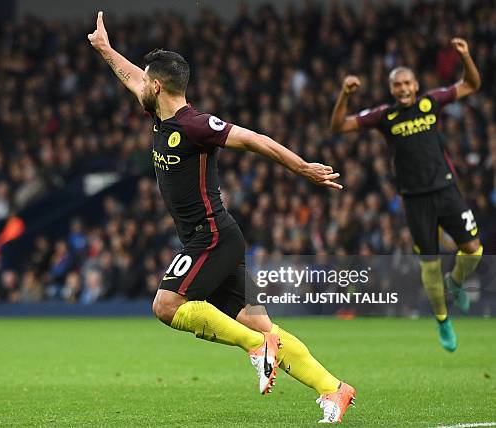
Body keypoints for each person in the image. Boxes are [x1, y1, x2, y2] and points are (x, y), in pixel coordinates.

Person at [88, 11, 355, 423]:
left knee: (166, 305)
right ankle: (334, 389)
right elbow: (130, 76)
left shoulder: (195, 124)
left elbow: (255, 139)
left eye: (145, 80)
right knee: (267, 328)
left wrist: (302, 168)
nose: (137, 83)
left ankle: (254, 347)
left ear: (156, 86)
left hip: (210, 236)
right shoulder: (160, 115)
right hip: (219, 238)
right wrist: (106, 49)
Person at [330, 38, 482, 352]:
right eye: (397, 85)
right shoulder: (385, 117)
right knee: (429, 265)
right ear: (391, 88)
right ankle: (442, 320)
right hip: (415, 201)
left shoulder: (431, 102)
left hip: (446, 189)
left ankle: (455, 282)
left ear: (416, 84)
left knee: (474, 251)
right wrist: (345, 94)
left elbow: (471, 84)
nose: (403, 89)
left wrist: (465, 56)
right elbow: (339, 127)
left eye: (407, 83)